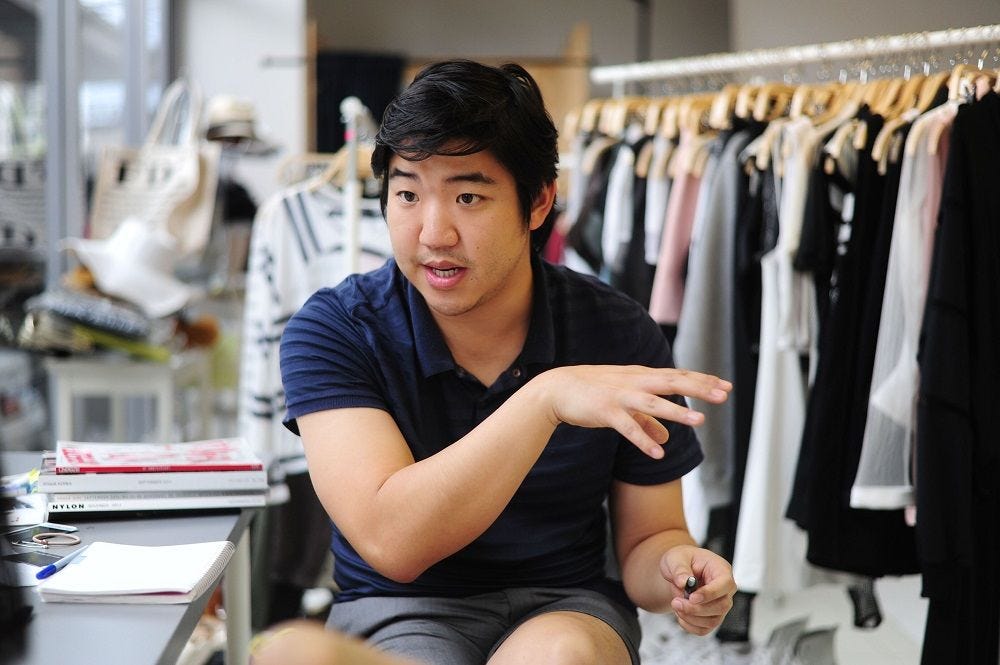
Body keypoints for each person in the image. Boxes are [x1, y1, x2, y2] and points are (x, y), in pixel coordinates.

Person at [279, 59, 736, 665]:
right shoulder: (336, 329)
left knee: (559, 657)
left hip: (564, 607)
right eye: (408, 194)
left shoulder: (617, 330)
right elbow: (393, 541)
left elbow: (649, 540)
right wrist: (544, 400)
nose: (434, 233)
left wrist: (681, 571)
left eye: (468, 196)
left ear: (539, 201)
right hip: (399, 608)